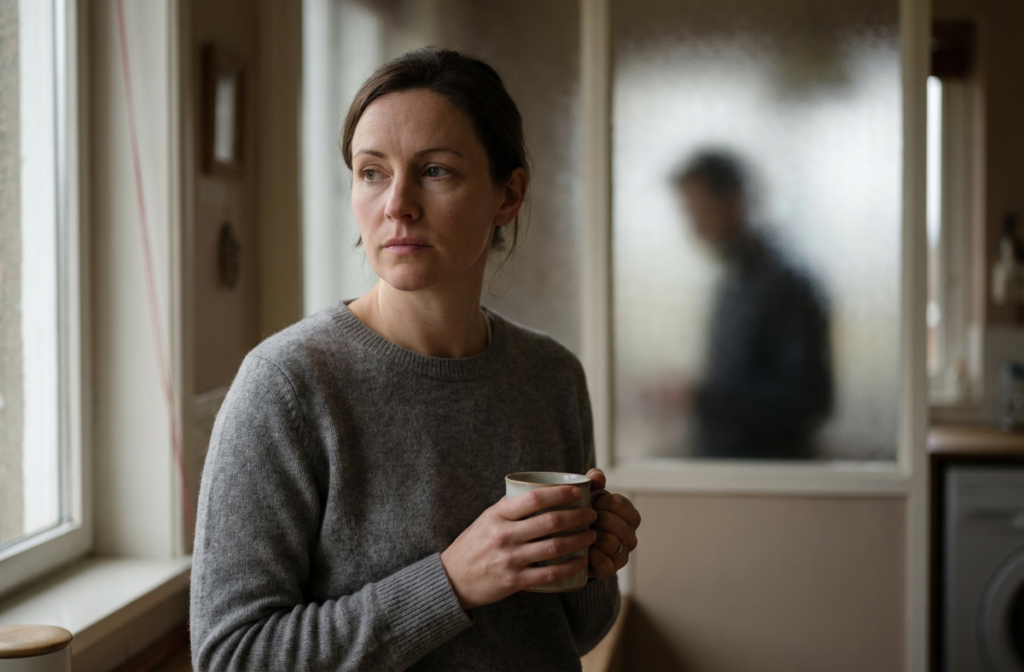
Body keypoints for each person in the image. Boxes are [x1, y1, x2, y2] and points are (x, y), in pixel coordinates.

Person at [190, 47, 641, 671]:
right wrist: (450, 582)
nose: (396, 203)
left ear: (508, 195)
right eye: (372, 172)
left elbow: (576, 632)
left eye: (435, 171)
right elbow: (232, 657)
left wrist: (593, 563)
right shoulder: (288, 385)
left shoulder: (551, 376)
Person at [673, 149, 833, 459]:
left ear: (735, 203)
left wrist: (699, 398)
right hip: (732, 467)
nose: (695, 228)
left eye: (701, 212)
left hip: (766, 474)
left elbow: (808, 399)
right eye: (689, 214)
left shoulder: (784, 283)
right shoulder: (734, 279)